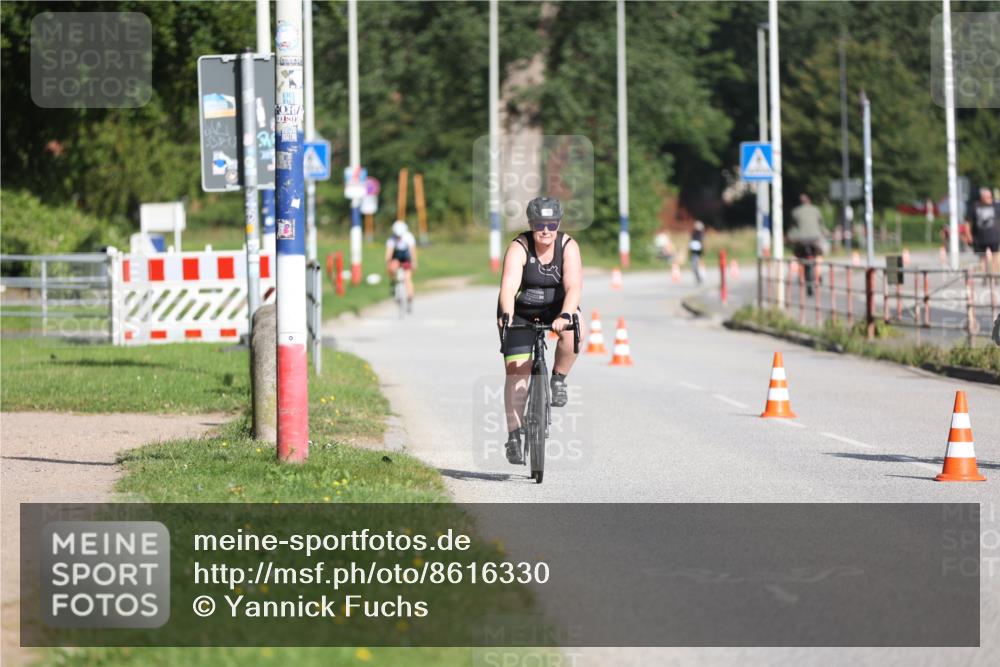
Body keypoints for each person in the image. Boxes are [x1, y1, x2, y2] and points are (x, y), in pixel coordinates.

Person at [496, 197, 583, 465]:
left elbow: (574, 287)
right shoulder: (519, 247)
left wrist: (565, 314)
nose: (546, 230)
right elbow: (508, 287)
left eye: (551, 224)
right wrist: (507, 315)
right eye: (539, 225)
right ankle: (513, 436)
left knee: (576, 326)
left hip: (557, 309)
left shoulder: (568, 246)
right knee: (517, 373)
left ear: (558, 224)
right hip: (521, 311)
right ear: (531, 224)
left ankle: (558, 379)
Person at [789, 193, 826, 296]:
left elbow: (793, 227)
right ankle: (819, 273)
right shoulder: (816, 210)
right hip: (815, 240)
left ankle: (801, 275)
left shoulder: (795, 211)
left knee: (798, 255)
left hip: (801, 241)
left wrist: (790, 237)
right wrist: (825, 233)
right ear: (809, 201)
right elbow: (821, 224)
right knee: (819, 254)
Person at [385, 220, 418, 309]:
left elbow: (412, 251)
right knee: (392, 267)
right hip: (396, 257)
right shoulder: (392, 239)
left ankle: (410, 297)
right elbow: (389, 252)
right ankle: (394, 284)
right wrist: (388, 263)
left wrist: (414, 262)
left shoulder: (409, 237)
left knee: (407, 278)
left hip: (406, 257)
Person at [968, 187, 999, 272]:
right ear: (982, 197)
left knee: (995, 257)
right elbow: (968, 222)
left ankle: (994, 275)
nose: (990, 199)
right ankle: (984, 275)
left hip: (994, 237)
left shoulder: (996, 205)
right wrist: (968, 235)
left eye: (990, 197)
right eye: (987, 197)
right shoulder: (975, 206)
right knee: (982, 258)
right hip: (979, 238)